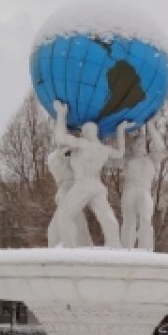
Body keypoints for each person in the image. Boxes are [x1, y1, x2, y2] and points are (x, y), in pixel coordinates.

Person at [51, 101, 127, 248]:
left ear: (85, 133)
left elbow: (60, 138)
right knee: (107, 217)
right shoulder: (103, 149)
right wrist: (120, 130)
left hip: (84, 184)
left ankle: (69, 247)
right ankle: (115, 245)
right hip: (97, 185)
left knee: (65, 215)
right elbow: (120, 153)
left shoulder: (83, 144)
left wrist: (61, 115)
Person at [119, 115, 166, 251]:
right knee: (129, 222)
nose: (138, 146)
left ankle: (146, 250)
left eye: (141, 143)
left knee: (146, 220)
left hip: (144, 193)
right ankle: (126, 250)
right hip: (129, 192)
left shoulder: (151, 159)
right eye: (135, 143)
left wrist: (150, 126)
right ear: (132, 146)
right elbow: (113, 156)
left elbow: (161, 148)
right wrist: (120, 132)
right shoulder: (127, 158)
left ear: (145, 146)